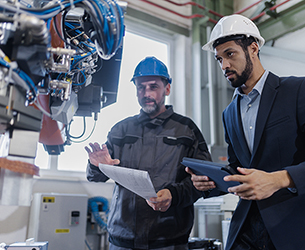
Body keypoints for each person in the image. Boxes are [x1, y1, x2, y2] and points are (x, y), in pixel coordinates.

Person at [186, 14, 305, 250]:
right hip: (248, 231)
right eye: (218, 59)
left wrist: (277, 179)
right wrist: (211, 182)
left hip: (300, 230)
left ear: (253, 48)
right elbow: (239, 168)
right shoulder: (229, 113)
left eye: (230, 54)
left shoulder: (298, 90)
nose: (224, 66)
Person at [85, 56, 212, 250]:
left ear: (167, 88)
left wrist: (174, 195)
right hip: (122, 240)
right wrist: (97, 166)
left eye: (153, 87)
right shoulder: (120, 130)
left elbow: (204, 181)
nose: (146, 93)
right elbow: (95, 177)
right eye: (140, 87)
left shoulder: (186, 130)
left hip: (169, 241)